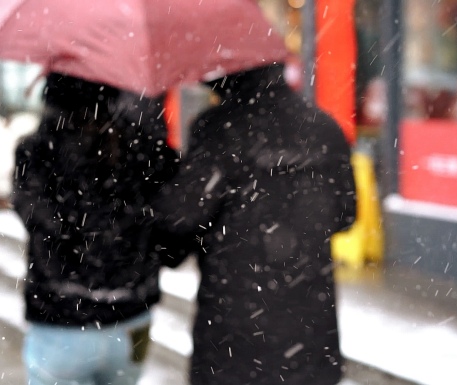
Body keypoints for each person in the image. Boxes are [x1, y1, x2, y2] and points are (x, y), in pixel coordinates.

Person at [151, 63, 357, 385]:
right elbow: (346, 215)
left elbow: (181, 220)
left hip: (235, 336)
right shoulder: (324, 128)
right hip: (311, 333)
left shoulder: (218, 128)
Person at [12, 72, 178, 385]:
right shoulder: (144, 148)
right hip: (132, 317)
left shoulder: (37, 151)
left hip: (61, 319)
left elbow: (35, 214)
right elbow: (171, 211)